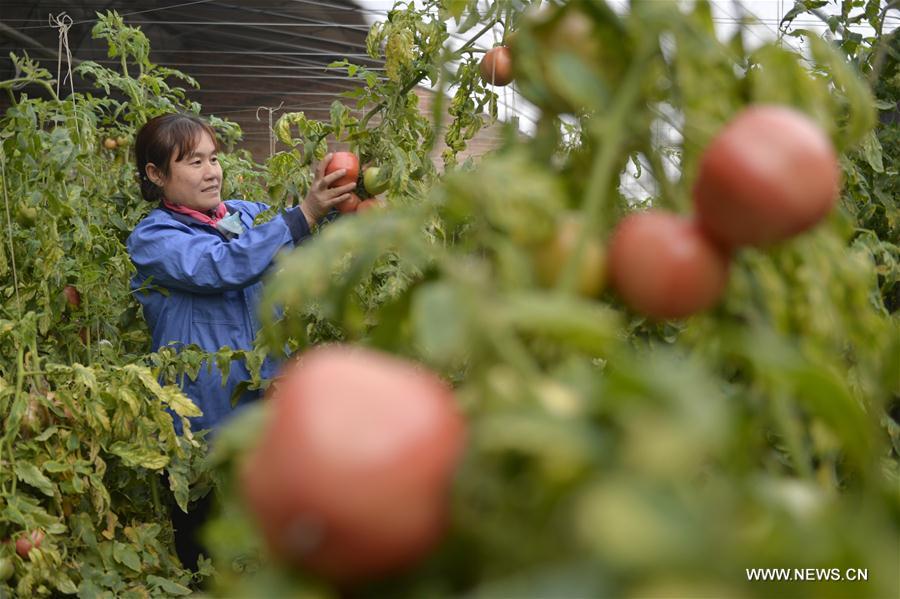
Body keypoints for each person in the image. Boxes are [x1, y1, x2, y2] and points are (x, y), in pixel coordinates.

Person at [126, 112, 355, 570]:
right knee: (207, 552)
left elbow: (302, 245)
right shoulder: (154, 238)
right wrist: (303, 215)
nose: (211, 172)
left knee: (273, 542)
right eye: (194, 162)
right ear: (156, 174)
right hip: (203, 422)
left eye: (213, 158)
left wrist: (340, 201)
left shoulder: (247, 216)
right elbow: (221, 265)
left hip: (269, 405)